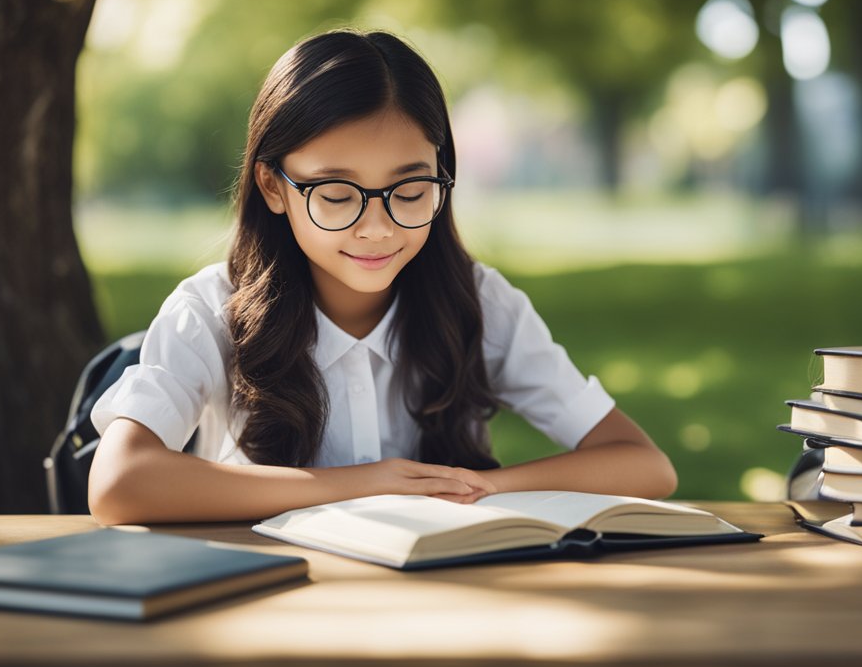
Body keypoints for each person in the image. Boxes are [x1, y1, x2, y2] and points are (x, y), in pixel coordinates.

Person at [87, 29, 677, 525]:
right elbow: (120, 482)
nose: (377, 228)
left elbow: (644, 464)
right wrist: (360, 485)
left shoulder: (480, 302)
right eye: (337, 194)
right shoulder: (210, 309)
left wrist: (478, 487)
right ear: (273, 186)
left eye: (411, 190)